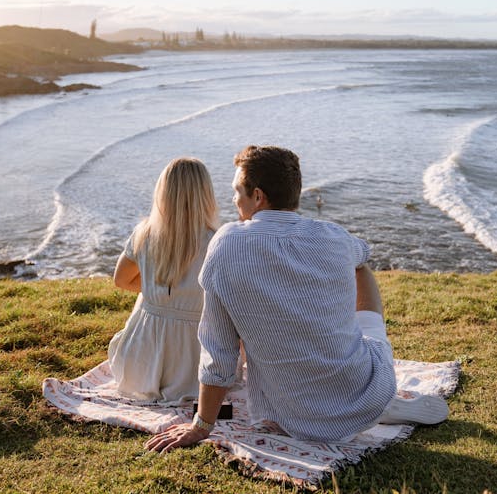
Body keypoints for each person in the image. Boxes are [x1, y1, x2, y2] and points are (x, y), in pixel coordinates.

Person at [146, 145, 448, 451]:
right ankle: (376, 403)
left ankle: (369, 405)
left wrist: (202, 425)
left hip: (292, 413)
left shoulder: (225, 245)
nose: (234, 199)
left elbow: (219, 352)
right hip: (363, 383)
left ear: (259, 197)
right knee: (360, 269)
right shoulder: (334, 236)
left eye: (238, 191)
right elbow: (363, 254)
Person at [108, 157, 218, 403]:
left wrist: (156, 293)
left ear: (163, 192)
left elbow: (121, 281)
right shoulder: (216, 242)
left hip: (137, 363)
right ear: (206, 194)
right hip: (192, 367)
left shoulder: (144, 233)